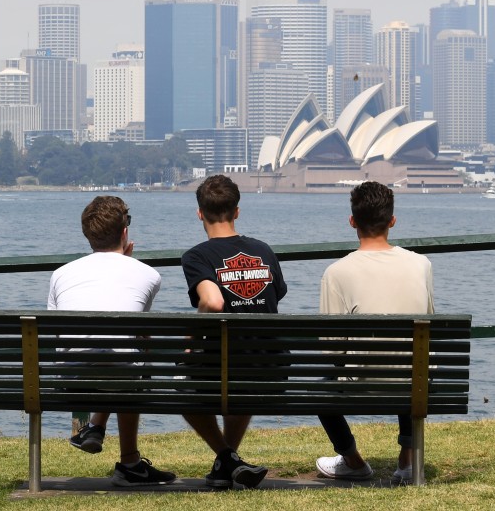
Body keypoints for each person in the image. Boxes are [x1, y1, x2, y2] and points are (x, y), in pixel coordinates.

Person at [48, 195, 177, 487]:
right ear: (125, 232)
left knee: (112, 354)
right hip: (125, 377)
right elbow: (137, 333)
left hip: (71, 379)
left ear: (88, 235)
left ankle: (93, 427)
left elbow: (57, 335)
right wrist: (127, 263)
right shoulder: (149, 275)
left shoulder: (60, 275)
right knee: (131, 355)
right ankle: (128, 461)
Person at [314, 181, 434, 485]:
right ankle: (407, 461)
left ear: (352, 221)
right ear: (392, 221)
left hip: (362, 386)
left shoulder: (336, 272)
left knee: (316, 389)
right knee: (412, 358)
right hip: (415, 383)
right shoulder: (421, 264)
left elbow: (331, 349)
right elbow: (427, 327)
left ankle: (353, 461)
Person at [180, 174, 286, 489]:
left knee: (183, 390)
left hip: (224, 368)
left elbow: (212, 302)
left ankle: (226, 457)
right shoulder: (264, 251)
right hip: (269, 370)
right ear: (237, 211)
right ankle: (227, 462)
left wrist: (193, 337)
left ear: (200, 213)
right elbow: (275, 295)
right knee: (242, 370)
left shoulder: (196, 256)